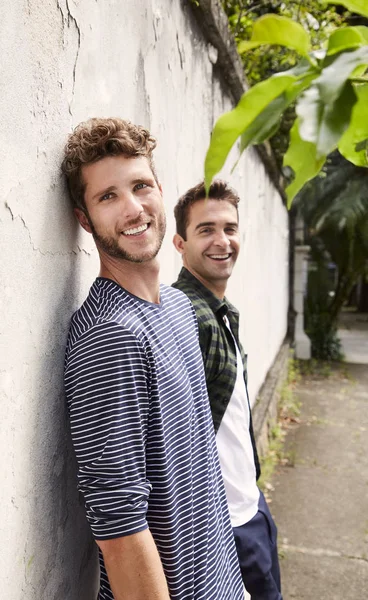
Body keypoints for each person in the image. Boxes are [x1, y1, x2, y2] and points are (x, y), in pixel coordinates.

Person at [61, 118, 244, 600]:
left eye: (141, 186)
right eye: (108, 197)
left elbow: (198, 468)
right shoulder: (109, 337)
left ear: (161, 190)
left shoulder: (180, 307)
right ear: (85, 219)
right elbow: (120, 530)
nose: (133, 208)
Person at [173, 180, 282, 600]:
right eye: (206, 230)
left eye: (230, 228)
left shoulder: (220, 313)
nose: (222, 241)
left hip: (250, 503)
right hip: (225, 524)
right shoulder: (185, 315)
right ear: (180, 244)